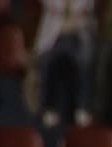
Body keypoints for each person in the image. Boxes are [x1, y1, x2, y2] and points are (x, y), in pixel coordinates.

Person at [27, 0, 99, 128]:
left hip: (80, 35)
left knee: (85, 60)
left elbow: (87, 9)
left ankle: (84, 108)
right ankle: (48, 108)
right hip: (54, 37)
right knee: (47, 61)